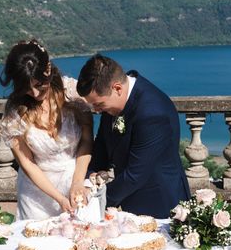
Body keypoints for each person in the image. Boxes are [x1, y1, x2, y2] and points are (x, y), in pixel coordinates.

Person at [76, 54, 191, 218]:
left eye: (99, 104)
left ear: (117, 88)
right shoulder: (113, 103)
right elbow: (101, 144)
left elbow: (135, 174)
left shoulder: (152, 112)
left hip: (160, 204)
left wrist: (94, 202)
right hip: (130, 199)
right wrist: (90, 178)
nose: (96, 111)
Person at [0, 39, 92, 220]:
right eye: (26, 88)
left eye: (39, 85)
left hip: (76, 181)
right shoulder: (14, 115)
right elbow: (28, 165)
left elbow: (87, 140)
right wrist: (59, 198)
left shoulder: (72, 93)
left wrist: (78, 182)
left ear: (48, 69)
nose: (34, 93)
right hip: (37, 195)